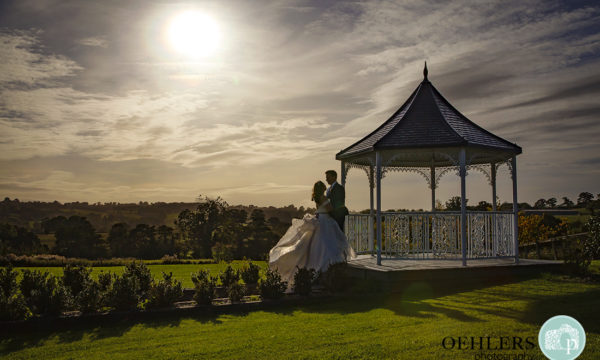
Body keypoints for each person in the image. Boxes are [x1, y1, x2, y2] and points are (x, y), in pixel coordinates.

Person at [268, 180, 355, 288]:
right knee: (329, 243)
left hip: (320, 218)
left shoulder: (316, 197)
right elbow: (329, 209)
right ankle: (327, 265)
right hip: (326, 220)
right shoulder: (323, 198)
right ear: (322, 188)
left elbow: (319, 209)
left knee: (318, 243)